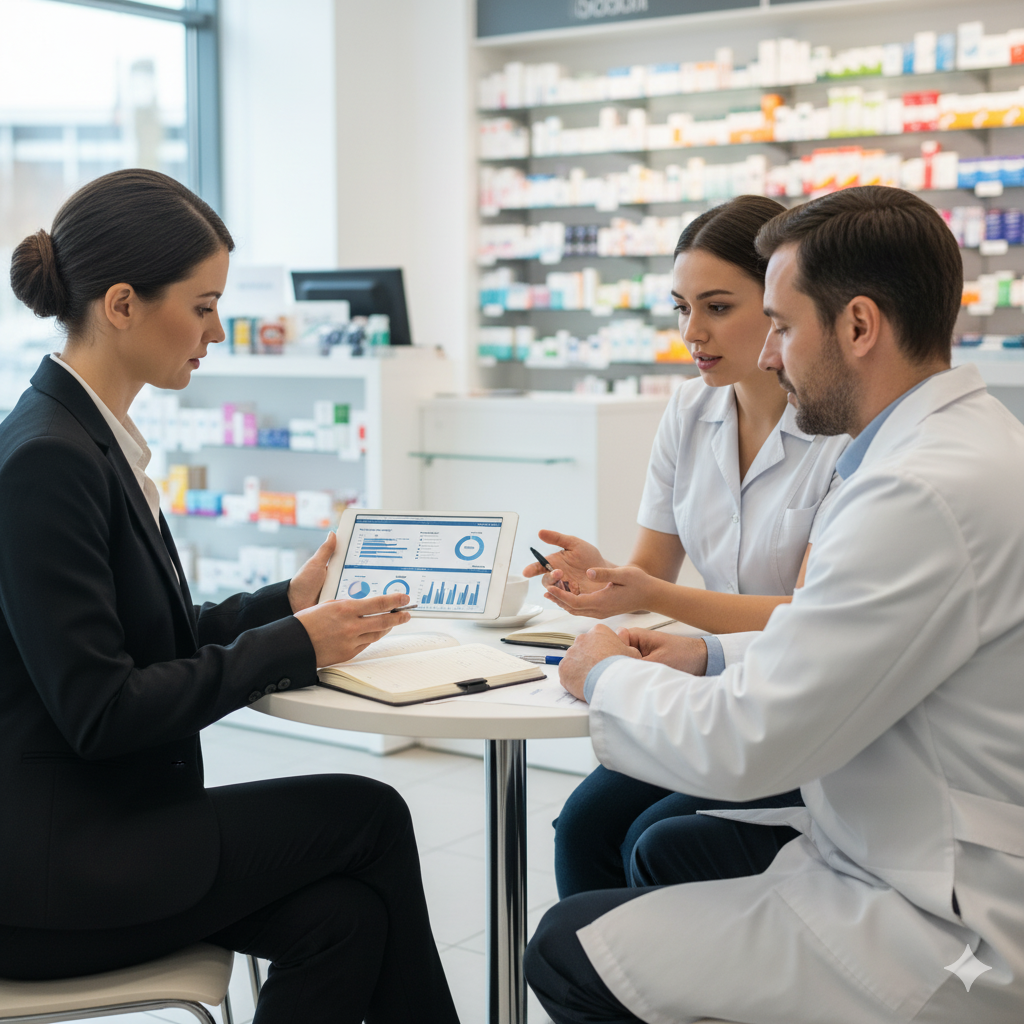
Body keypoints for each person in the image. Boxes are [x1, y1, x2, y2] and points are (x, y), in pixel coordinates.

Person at [525, 184, 1024, 1024]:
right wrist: (709, 653)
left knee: (566, 949)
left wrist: (606, 675)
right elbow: (842, 632)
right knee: (660, 847)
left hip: (943, 915)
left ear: (859, 326)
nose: (766, 354)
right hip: (901, 837)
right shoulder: (960, 444)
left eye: (781, 326)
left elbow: (751, 744)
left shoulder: (914, 490)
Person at [0, 169, 459, 1024]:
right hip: (54, 877)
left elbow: (152, 641)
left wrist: (289, 601)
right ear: (124, 304)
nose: (217, 328)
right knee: (370, 811)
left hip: (106, 834)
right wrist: (297, 645)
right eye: (204, 304)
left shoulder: (86, 438)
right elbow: (102, 710)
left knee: (344, 920)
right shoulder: (47, 460)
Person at [526, 195, 849, 898]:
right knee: (581, 827)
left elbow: (806, 615)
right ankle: (601, 994)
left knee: (654, 839)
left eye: (717, 306)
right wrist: (603, 579)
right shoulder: (689, 409)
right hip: (700, 678)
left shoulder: (838, 428)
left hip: (794, 700)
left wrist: (651, 596)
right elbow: (649, 570)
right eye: (681, 307)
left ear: (777, 301)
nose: (691, 332)